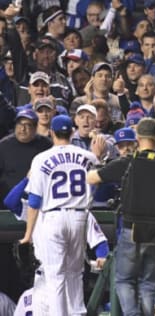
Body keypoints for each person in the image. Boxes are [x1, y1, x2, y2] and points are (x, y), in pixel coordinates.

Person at [86, 117, 155, 316]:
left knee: (124, 280)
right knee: (148, 285)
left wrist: (97, 160)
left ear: (138, 137)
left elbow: (91, 177)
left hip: (132, 230)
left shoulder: (128, 162)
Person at [18, 115, 98, 315]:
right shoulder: (88, 156)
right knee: (75, 274)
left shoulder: (41, 158)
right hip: (80, 216)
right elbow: (96, 187)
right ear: (72, 132)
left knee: (55, 277)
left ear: (52, 133)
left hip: (54, 217)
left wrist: (28, 235)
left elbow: (34, 201)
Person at [0, 109, 52, 209]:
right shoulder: (3, 146)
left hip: (38, 206)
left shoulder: (46, 146)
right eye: (20, 124)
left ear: (35, 127)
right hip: (7, 206)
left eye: (28, 125)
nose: (22, 129)